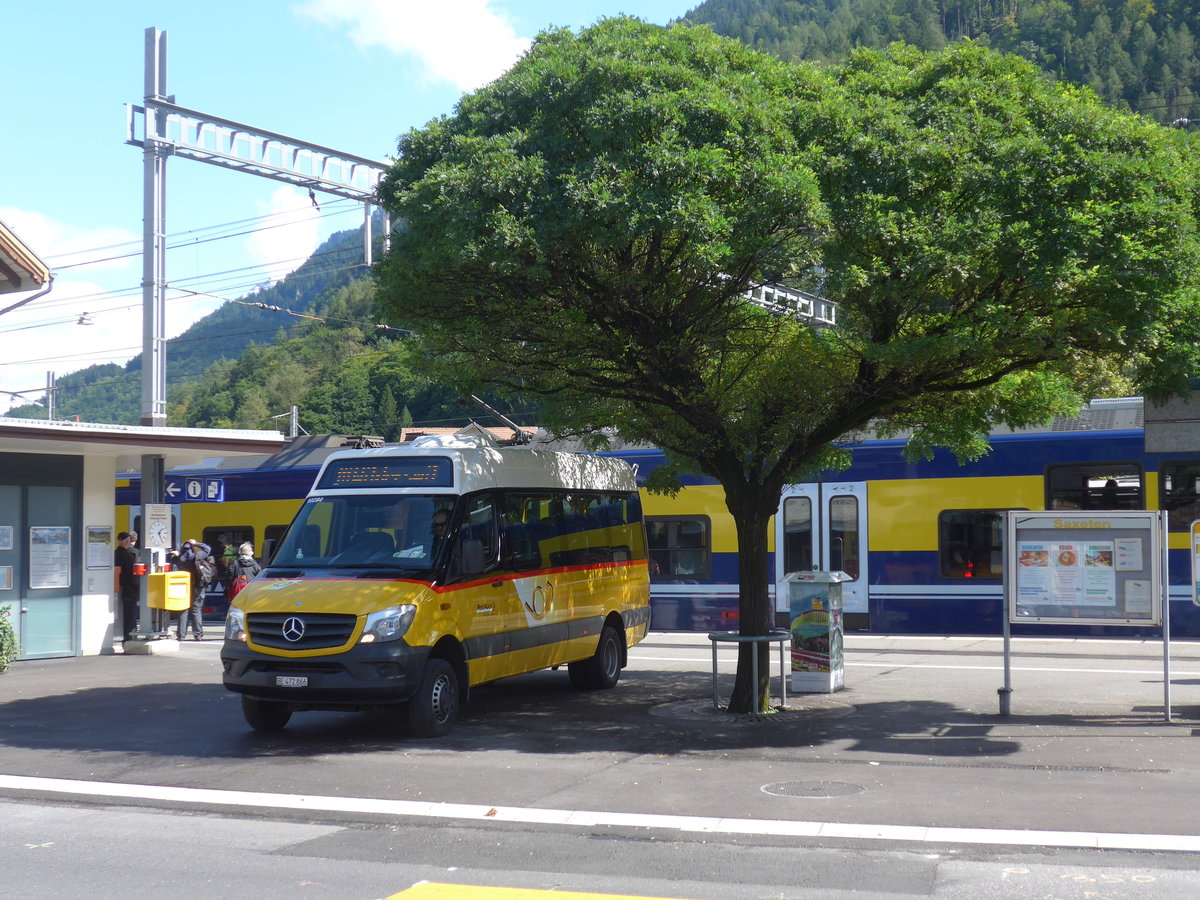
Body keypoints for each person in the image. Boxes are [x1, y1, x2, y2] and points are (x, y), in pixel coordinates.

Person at [171, 539, 212, 641]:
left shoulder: (179, 558)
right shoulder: (197, 556)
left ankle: (181, 635)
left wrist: (176, 554)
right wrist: (196, 543)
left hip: (183, 587)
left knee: (183, 610)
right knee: (196, 610)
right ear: (192, 548)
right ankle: (197, 634)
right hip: (198, 586)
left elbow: (168, 558)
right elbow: (207, 549)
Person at [114, 531, 140, 641]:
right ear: (128, 541)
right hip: (129, 590)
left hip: (117, 588)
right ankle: (129, 638)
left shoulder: (114, 553)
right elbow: (132, 576)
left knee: (121, 615)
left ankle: (123, 637)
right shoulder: (129, 556)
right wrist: (137, 586)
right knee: (130, 616)